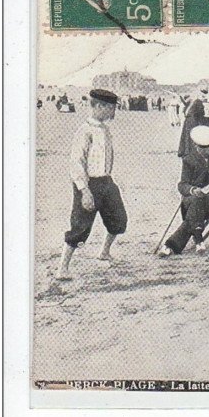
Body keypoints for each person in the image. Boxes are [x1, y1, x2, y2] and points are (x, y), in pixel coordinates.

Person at [56, 89, 127, 279]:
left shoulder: (105, 129)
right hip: (88, 184)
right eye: (110, 108)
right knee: (80, 227)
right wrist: (85, 191)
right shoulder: (84, 131)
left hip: (106, 182)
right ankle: (62, 268)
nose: (112, 112)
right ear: (99, 106)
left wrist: (108, 180)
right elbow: (76, 163)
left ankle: (104, 252)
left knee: (119, 220)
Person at [160, 126, 209, 256]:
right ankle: (196, 239)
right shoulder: (189, 159)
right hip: (195, 199)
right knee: (197, 201)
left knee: (195, 208)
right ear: (195, 145)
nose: (207, 151)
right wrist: (192, 190)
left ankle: (178, 243)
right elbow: (182, 184)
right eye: (202, 148)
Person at [177, 89, 207, 157]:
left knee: (186, 135)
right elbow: (201, 113)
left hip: (188, 119)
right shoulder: (198, 102)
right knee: (191, 135)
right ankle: (190, 151)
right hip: (193, 120)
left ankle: (184, 151)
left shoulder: (192, 100)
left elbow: (185, 106)